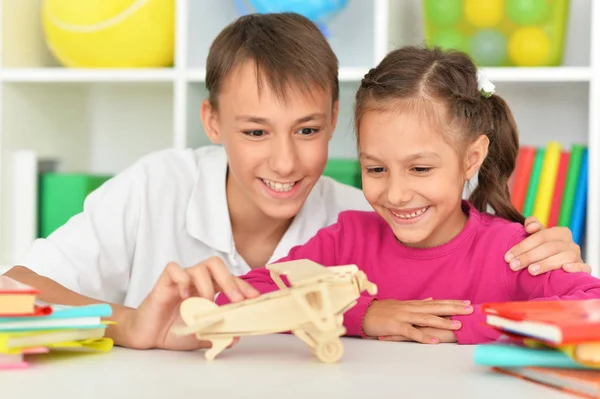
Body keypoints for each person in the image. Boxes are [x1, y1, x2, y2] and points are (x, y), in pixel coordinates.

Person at [2, 14, 586, 351]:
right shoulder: (156, 186)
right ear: (212, 121)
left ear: (335, 119)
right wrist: (131, 321)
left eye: (307, 130)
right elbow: (13, 291)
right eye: (255, 132)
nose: (284, 163)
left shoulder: (370, 214)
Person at [216, 45, 600, 346]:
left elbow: (590, 309)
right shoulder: (347, 239)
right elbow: (241, 300)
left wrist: (461, 324)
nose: (397, 195)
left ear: (471, 159)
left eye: (420, 169)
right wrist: (363, 314)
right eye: (376, 169)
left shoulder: (513, 251)